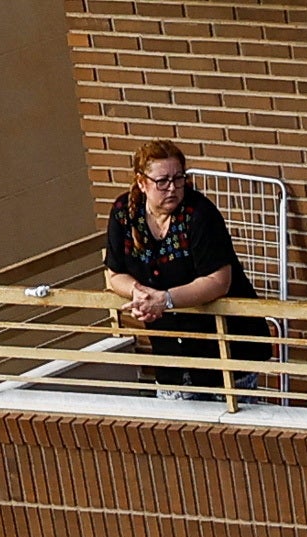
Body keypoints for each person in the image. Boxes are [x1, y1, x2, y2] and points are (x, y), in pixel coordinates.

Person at [98, 140, 252, 397]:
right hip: (170, 354)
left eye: (178, 179)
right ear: (142, 182)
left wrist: (166, 299)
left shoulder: (200, 213)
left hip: (224, 349)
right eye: (162, 181)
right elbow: (115, 274)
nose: (172, 188)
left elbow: (218, 280)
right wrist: (138, 293)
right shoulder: (124, 212)